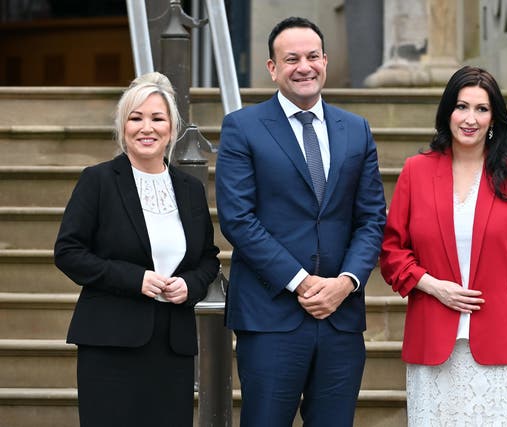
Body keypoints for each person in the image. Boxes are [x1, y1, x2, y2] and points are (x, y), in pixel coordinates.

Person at [215, 16, 387, 427]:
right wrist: (301, 281)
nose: (304, 66)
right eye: (291, 59)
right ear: (272, 68)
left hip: (340, 317)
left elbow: (372, 218)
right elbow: (237, 219)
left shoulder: (357, 130)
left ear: (325, 61)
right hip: (271, 315)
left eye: (312, 56)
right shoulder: (243, 127)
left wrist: (346, 282)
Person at [379, 66, 507, 425]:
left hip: (503, 337)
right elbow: (392, 252)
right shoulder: (416, 171)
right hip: (432, 337)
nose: (470, 119)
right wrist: (433, 286)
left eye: (481, 109)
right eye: (462, 106)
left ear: (494, 118)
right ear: (448, 111)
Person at [54, 72, 220, 427]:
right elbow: (68, 251)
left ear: (172, 129)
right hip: (110, 343)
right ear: (123, 127)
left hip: (172, 345)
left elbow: (208, 257)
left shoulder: (189, 189)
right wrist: (135, 279)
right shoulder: (97, 180)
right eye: (136, 117)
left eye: (157, 118)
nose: (147, 128)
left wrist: (190, 285)